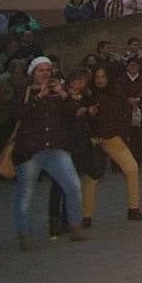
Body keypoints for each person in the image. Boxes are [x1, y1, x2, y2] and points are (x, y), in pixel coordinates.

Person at [13, 57, 89, 250]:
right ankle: (25, 235)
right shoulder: (25, 91)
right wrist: (39, 96)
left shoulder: (58, 91)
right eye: (40, 70)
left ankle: (75, 226)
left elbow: (74, 112)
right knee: (26, 195)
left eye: (48, 70)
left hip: (56, 148)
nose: (45, 73)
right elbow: (16, 114)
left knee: (73, 186)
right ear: (33, 73)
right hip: (31, 151)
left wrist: (63, 94)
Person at [86, 66, 142, 222]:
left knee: (131, 168)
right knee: (91, 178)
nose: (100, 80)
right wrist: (89, 115)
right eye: (97, 76)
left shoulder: (115, 94)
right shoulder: (88, 95)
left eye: (103, 76)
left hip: (112, 138)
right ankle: (85, 215)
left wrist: (121, 132)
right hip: (94, 140)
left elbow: (125, 113)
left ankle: (134, 208)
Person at [48, 69, 98, 238]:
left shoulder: (85, 97)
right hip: (62, 143)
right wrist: (74, 111)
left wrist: (90, 114)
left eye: (84, 81)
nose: (81, 84)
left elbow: (87, 119)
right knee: (58, 185)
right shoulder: (60, 95)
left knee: (72, 183)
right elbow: (63, 115)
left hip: (79, 144)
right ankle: (54, 221)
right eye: (79, 81)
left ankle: (67, 220)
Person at [120, 55, 142, 166]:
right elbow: (119, 94)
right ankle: (123, 164)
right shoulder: (121, 79)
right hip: (124, 112)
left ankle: (136, 162)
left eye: (135, 65)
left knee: (137, 139)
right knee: (123, 137)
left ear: (139, 67)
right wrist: (128, 99)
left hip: (139, 112)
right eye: (130, 65)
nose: (133, 67)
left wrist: (138, 99)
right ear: (127, 66)